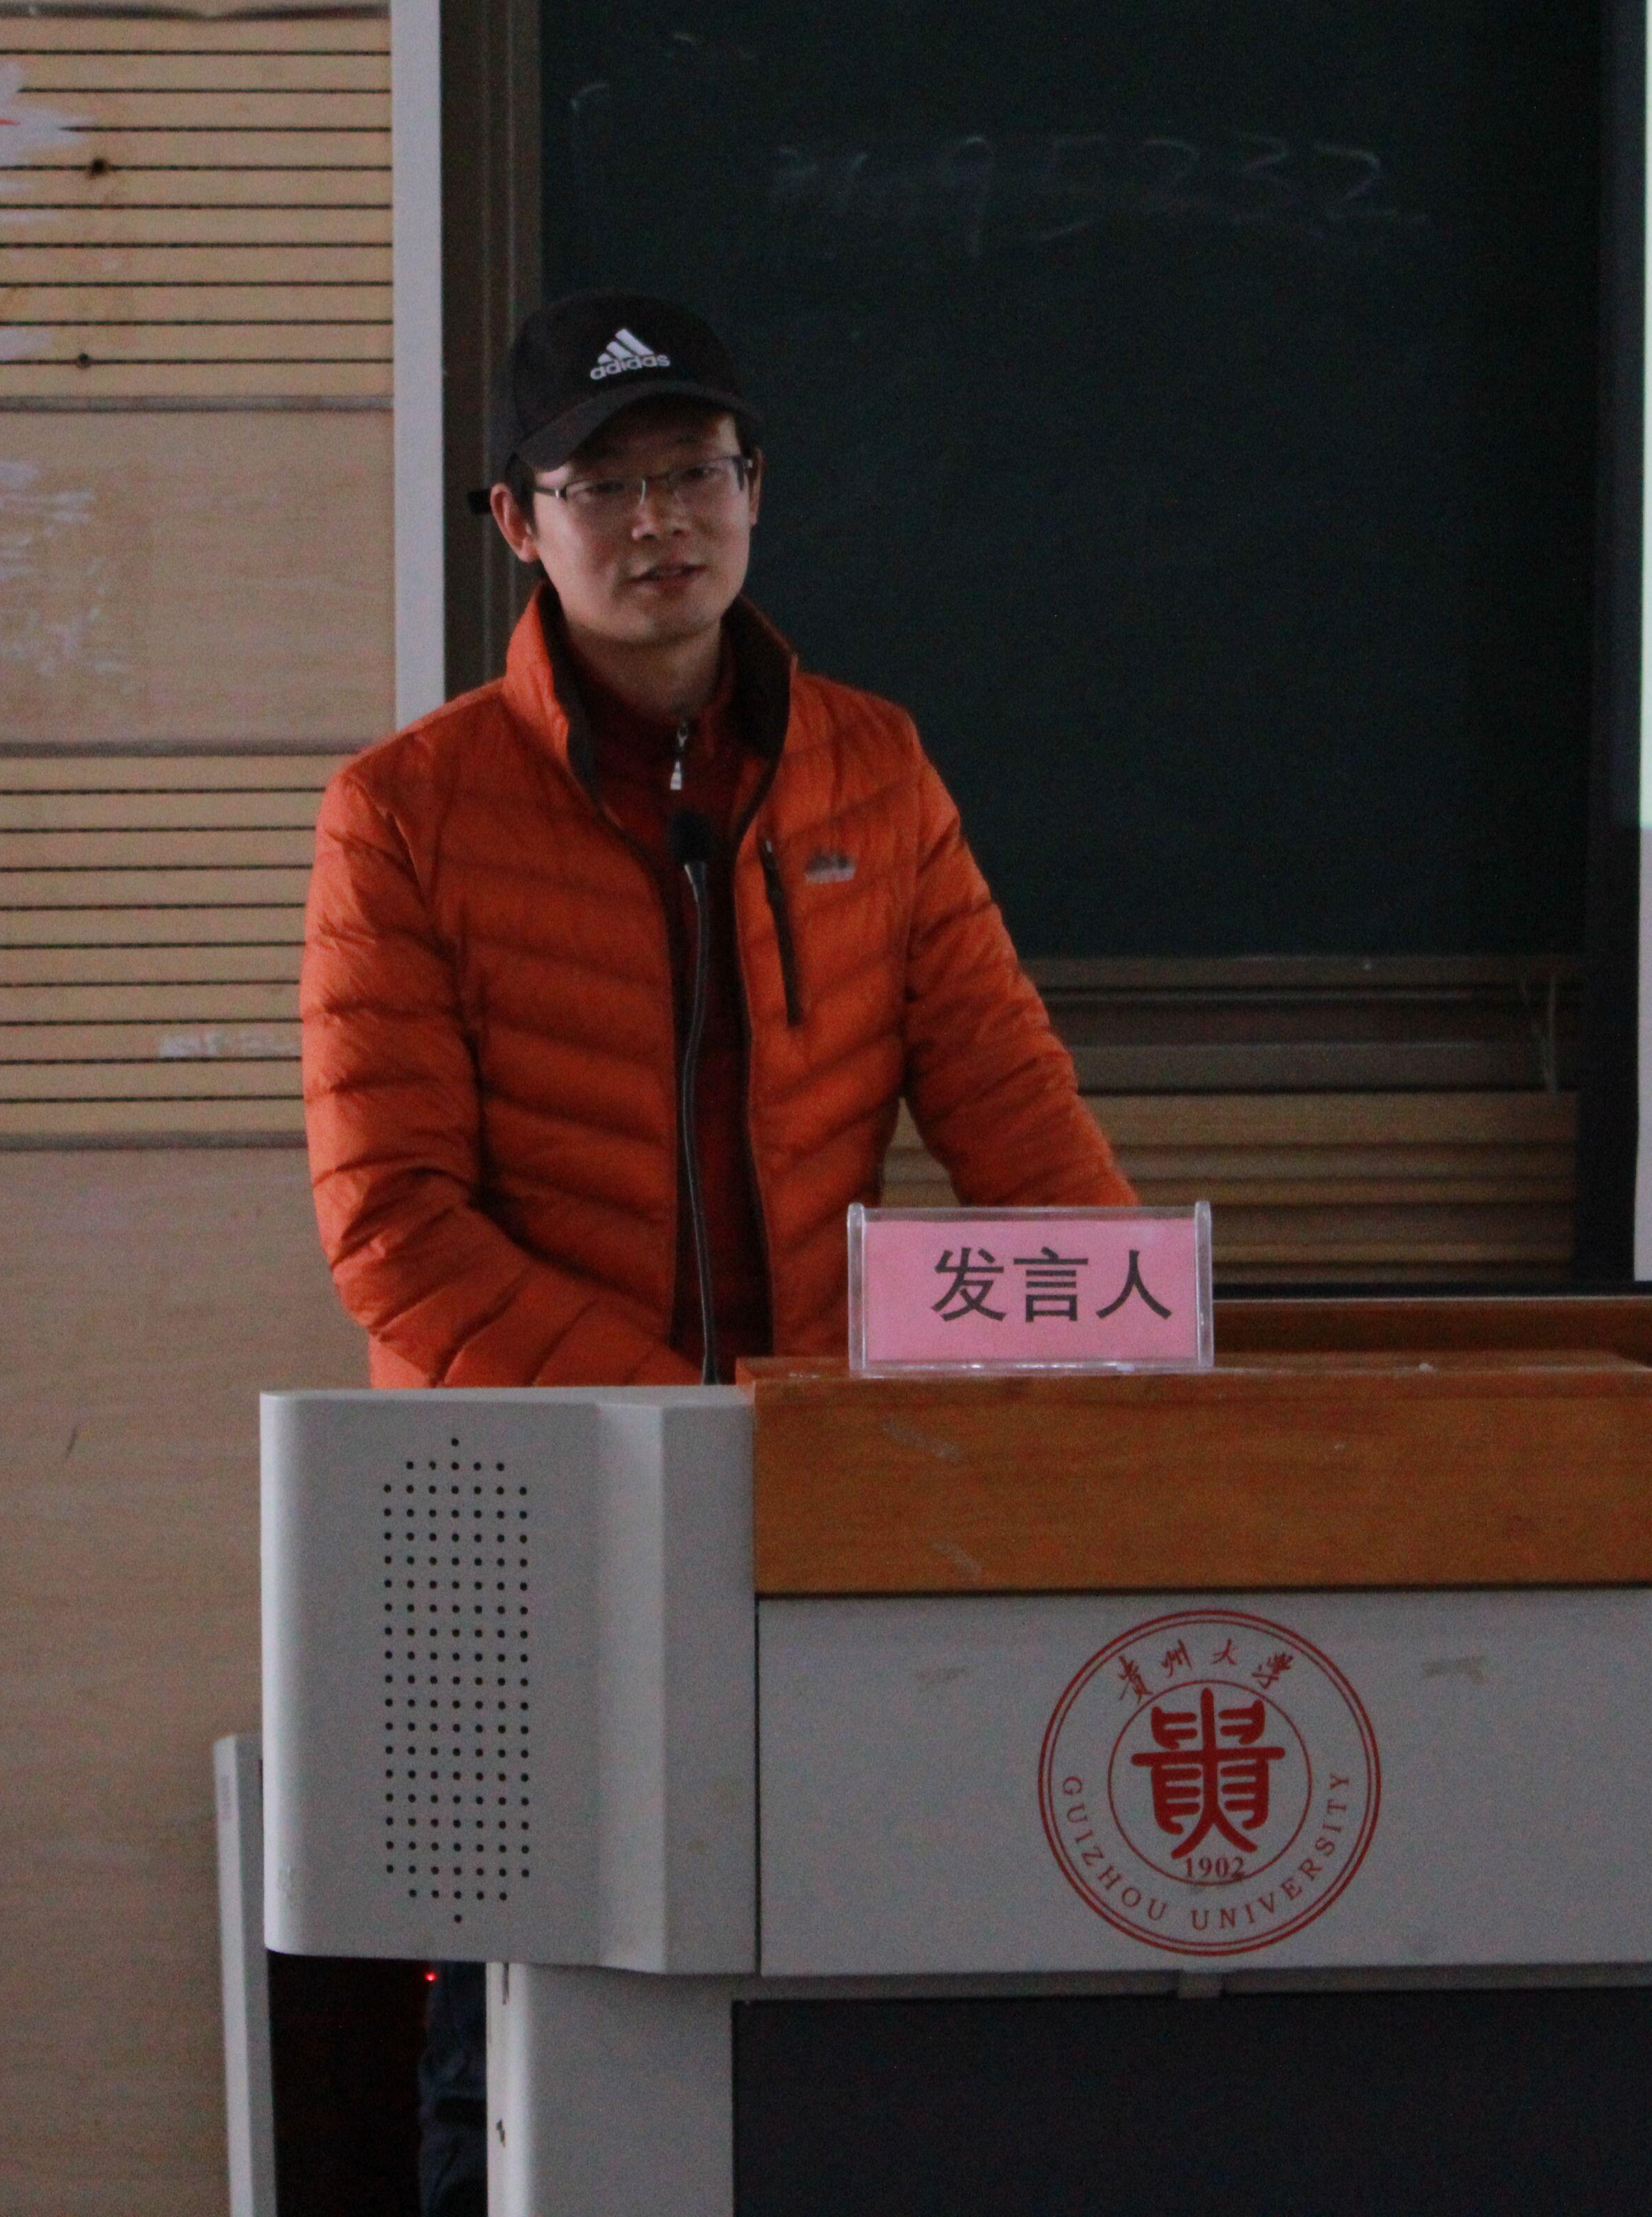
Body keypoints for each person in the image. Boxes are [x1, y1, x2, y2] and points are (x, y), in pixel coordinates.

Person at [298, 290, 1134, 2212]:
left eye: (697, 470)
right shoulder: (404, 815)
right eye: (604, 485)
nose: (660, 519)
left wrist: (1140, 1395)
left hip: (816, 1524)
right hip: (514, 1524)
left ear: (757, 490)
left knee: (828, 2025)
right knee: (517, 2038)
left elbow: (1024, 1133)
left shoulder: (873, 773)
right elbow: (394, 1231)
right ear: (518, 524)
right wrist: (684, 1424)